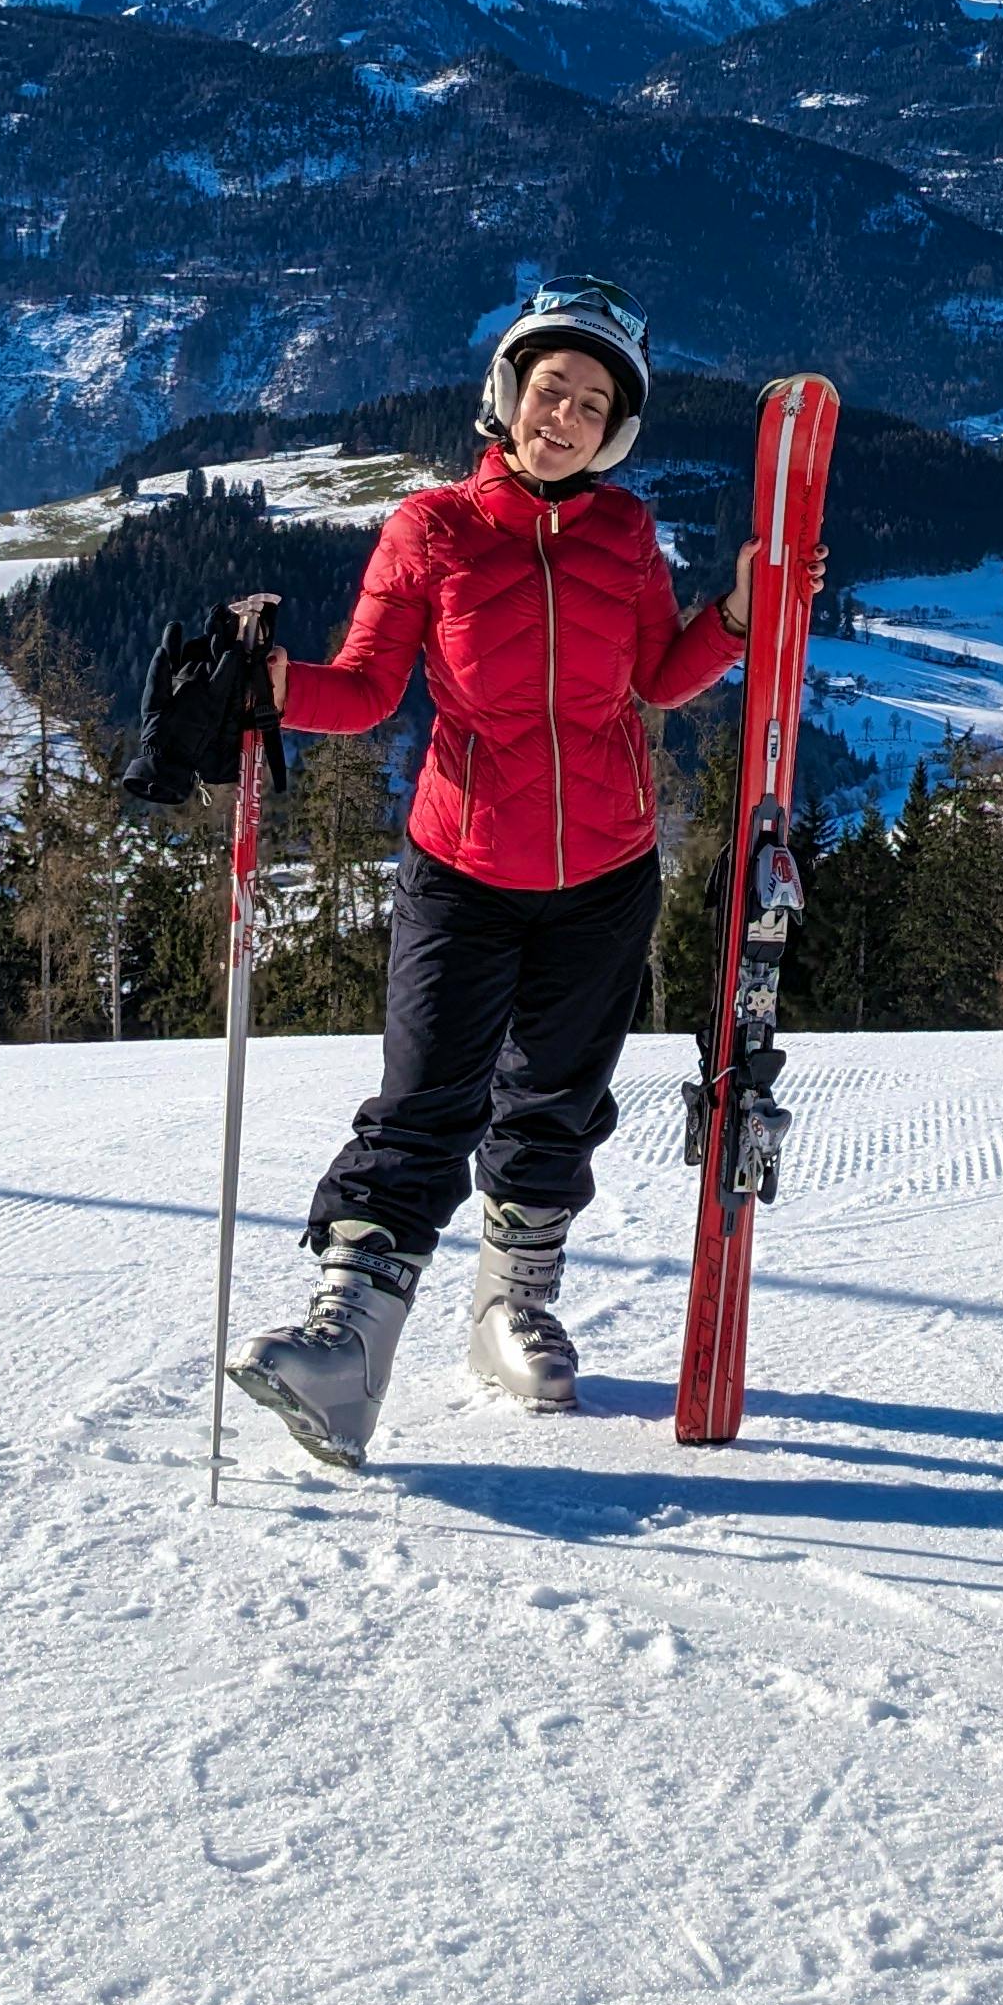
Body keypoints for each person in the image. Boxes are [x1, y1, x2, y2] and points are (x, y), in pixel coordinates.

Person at [226, 275, 777, 1472]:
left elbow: (659, 677)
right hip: (462, 867)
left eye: (591, 404)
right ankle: (345, 1346)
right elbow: (366, 688)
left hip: (607, 875)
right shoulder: (431, 530)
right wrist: (270, 693)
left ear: (614, 430)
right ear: (509, 393)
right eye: (550, 389)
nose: (563, 417)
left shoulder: (627, 535)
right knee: (426, 1099)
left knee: (554, 1104)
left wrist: (735, 614)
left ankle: (508, 1310)